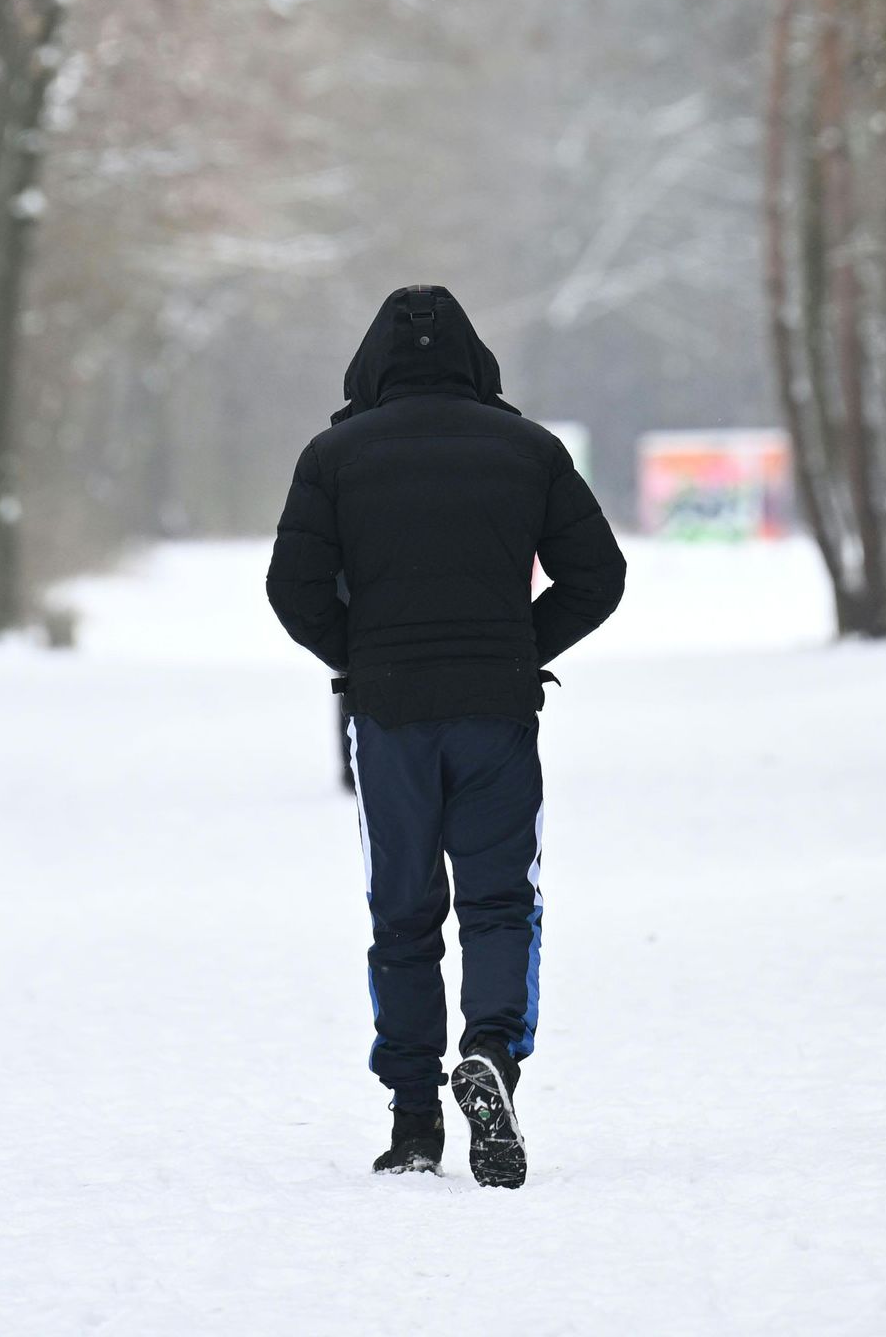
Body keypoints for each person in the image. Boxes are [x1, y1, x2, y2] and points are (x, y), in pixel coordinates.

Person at [266, 284, 627, 1187]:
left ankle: (414, 1119)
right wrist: (514, 649)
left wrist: (366, 658)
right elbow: (600, 576)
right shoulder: (528, 451)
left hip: (389, 723)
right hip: (497, 714)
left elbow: (292, 588)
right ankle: (494, 1057)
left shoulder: (335, 456)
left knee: (403, 910)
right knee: (502, 902)